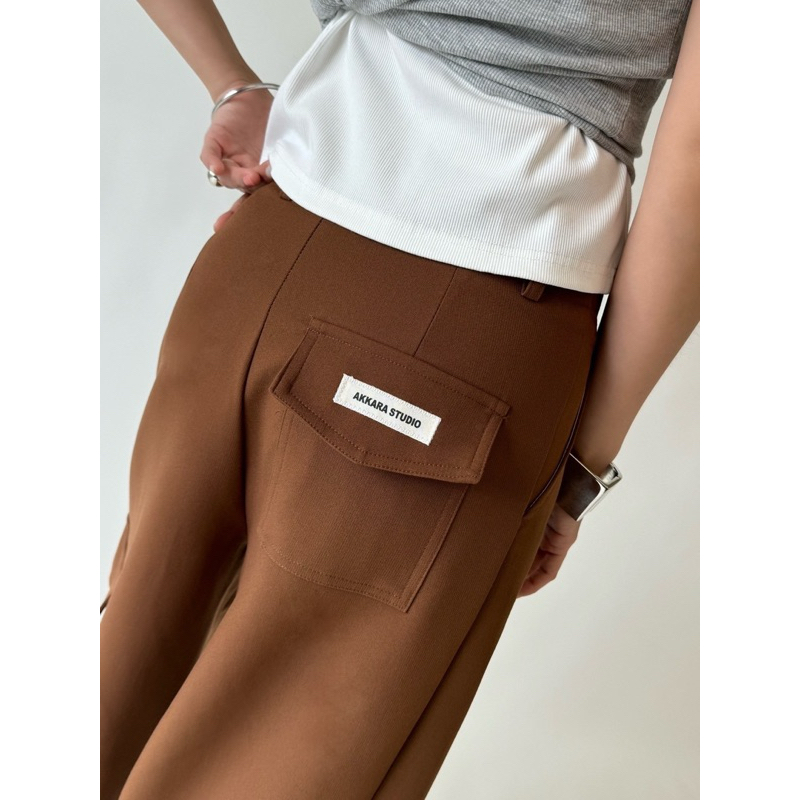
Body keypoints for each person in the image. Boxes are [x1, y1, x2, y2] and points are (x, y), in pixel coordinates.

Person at [100, 1, 699, 798]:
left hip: (263, 252)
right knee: (282, 760)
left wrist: (230, 85)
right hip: (475, 321)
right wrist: (580, 466)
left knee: (123, 687)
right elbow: (711, 150)